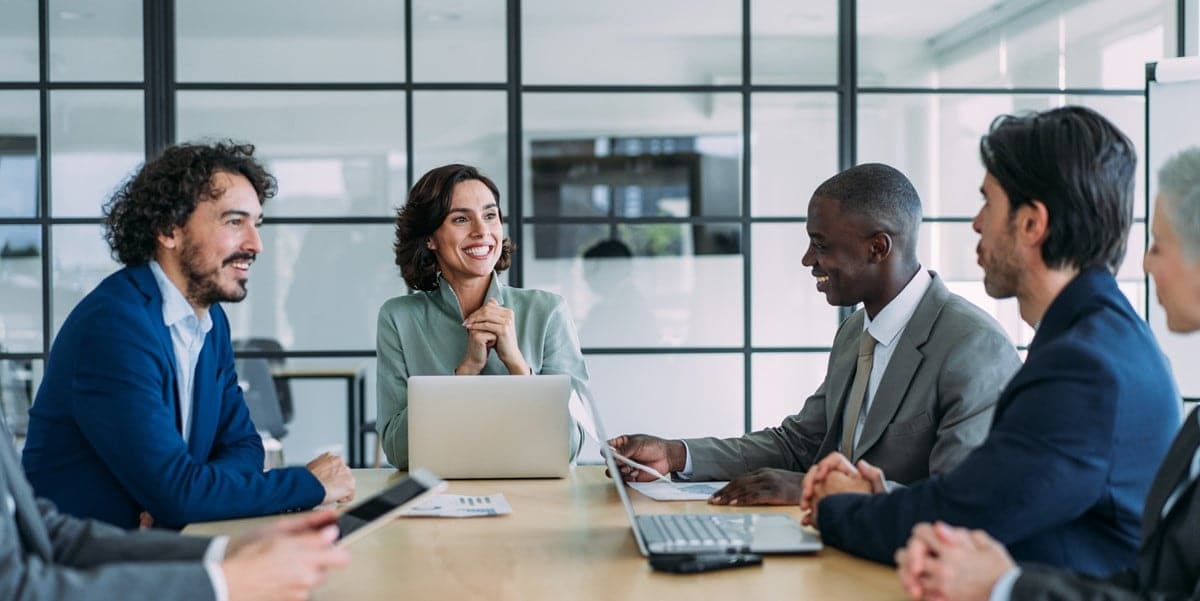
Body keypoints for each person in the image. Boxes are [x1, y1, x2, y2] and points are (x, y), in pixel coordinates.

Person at [805, 106, 1180, 577]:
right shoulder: (1103, 338)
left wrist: (835, 505)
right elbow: (994, 495)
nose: (977, 223)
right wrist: (879, 498)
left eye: (988, 202)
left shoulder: (1085, 367)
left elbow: (966, 517)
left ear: (1031, 224)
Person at [609, 163, 1020, 502]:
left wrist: (818, 491)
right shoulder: (856, 331)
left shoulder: (973, 346)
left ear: (878, 248)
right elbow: (799, 444)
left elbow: (962, 500)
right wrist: (674, 454)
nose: (809, 260)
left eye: (821, 244)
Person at [893, 146, 1200, 601]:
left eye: (1158, 245)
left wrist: (1004, 584)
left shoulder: (1085, 363)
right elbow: (1151, 584)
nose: (1146, 264)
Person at [21, 142, 355, 530]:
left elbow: (241, 445)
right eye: (234, 222)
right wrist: (308, 485)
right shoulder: (115, 326)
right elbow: (180, 494)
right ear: (168, 229)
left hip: (161, 547)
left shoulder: (208, 321)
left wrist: (186, 497)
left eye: (256, 223)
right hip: (86, 569)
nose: (255, 244)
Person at [1, 414, 349, 601]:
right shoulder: (114, 322)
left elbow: (51, 533)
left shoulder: (211, 327)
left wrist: (225, 550)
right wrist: (227, 583)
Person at [377, 163, 589, 469]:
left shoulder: (548, 311)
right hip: (437, 503)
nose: (482, 231)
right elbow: (399, 453)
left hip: (539, 502)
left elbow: (570, 446)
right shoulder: (398, 319)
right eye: (461, 218)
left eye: (490, 215)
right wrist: (466, 371)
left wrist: (517, 365)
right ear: (429, 238)